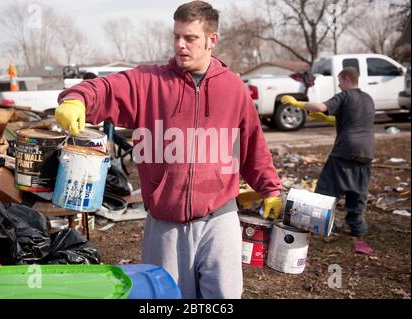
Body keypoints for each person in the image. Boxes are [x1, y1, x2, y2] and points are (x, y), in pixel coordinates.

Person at [55, 1, 282, 298]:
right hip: (164, 223)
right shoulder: (149, 82)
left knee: (224, 297)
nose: (180, 45)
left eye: (190, 38)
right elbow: (105, 88)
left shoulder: (234, 89)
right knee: (166, 298)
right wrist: (76, 99)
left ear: (212, 40)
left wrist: (271, 190)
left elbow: (253, 146)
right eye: (176, 36)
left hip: (220, 218)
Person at [281, 66, 375, 253]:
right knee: (358, 194)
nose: (339, 85)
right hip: (366, 152)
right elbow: (354, 120)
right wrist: (331, 118)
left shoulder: (345, 96)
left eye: (340, 81)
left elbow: (321, 106)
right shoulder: (368, 99)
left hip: (344, 151)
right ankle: (358, 230)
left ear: (346, 79)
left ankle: (315, 225)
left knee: (325, 191)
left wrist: (298, 104)